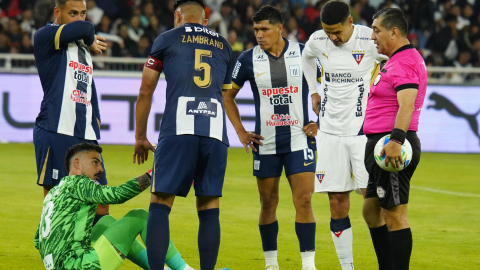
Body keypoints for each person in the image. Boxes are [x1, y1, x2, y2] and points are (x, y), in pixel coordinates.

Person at [132, 0, 234, 269]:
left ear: (178, 16)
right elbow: (224, 94)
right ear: (204, 20)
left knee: (160, 203)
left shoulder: (166, 38)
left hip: (178, 130)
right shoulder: (224, 45)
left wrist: (140, 136)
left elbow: (145, 91)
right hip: (214, 131)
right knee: (209, 206)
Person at [224, 6, 319, 270]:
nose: (259, 34)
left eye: (264, 29)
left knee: (305, 199)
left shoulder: (303, 54)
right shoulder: (247, 59)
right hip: (265, 143)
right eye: (255, 29)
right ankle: (271, 264)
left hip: (300, 141)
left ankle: (308, 264)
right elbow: (227, 96)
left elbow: (331, 86)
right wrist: (241, 132)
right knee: (268, 202)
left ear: (279, 28)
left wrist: (319, 122)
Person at [301, 1, 387, 269]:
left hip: (363, 135)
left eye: (336, 32)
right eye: (327, 32)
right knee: (337, 203)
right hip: (328, 134)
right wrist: (313, 90)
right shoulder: (318, 40)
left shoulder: (369, 39)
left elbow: (397, 59)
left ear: (350, 22)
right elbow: (306, 58)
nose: (332, 38)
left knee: (373, 202)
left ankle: (388, 263)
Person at [34, 143, 193, 270]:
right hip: (78, 266)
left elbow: (37, 240)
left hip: (56, 266)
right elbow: (118, 195)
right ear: (77, 163)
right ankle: (183, 269)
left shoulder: (54, 192)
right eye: (95, 162)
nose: (101, 169)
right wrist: (154, 173)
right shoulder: (79, 183)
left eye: (101, 164)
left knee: (105, 223)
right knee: (139, 216)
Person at [33, 0, 109, 225]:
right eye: (72, 13)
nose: (79, 18)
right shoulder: (46, 36)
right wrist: (88, 37)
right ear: (58, 12)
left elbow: (87, 82)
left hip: (84, 132)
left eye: (83, 13)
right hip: (56, 127)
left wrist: (95, 115)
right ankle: (54, 255)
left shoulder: (82, 47)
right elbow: (87, 28)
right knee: (57, 200)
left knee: (101, 202)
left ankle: (93, 258)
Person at [363, 8, 427, 270]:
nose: (373, 36)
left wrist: (397, 141)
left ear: (394, 31)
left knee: (394, 214)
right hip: (381, 144)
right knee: (371, 211)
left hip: (391, 146)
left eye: (376, 30)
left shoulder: (404, 62)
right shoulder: (395, 60)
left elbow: (407, 104)